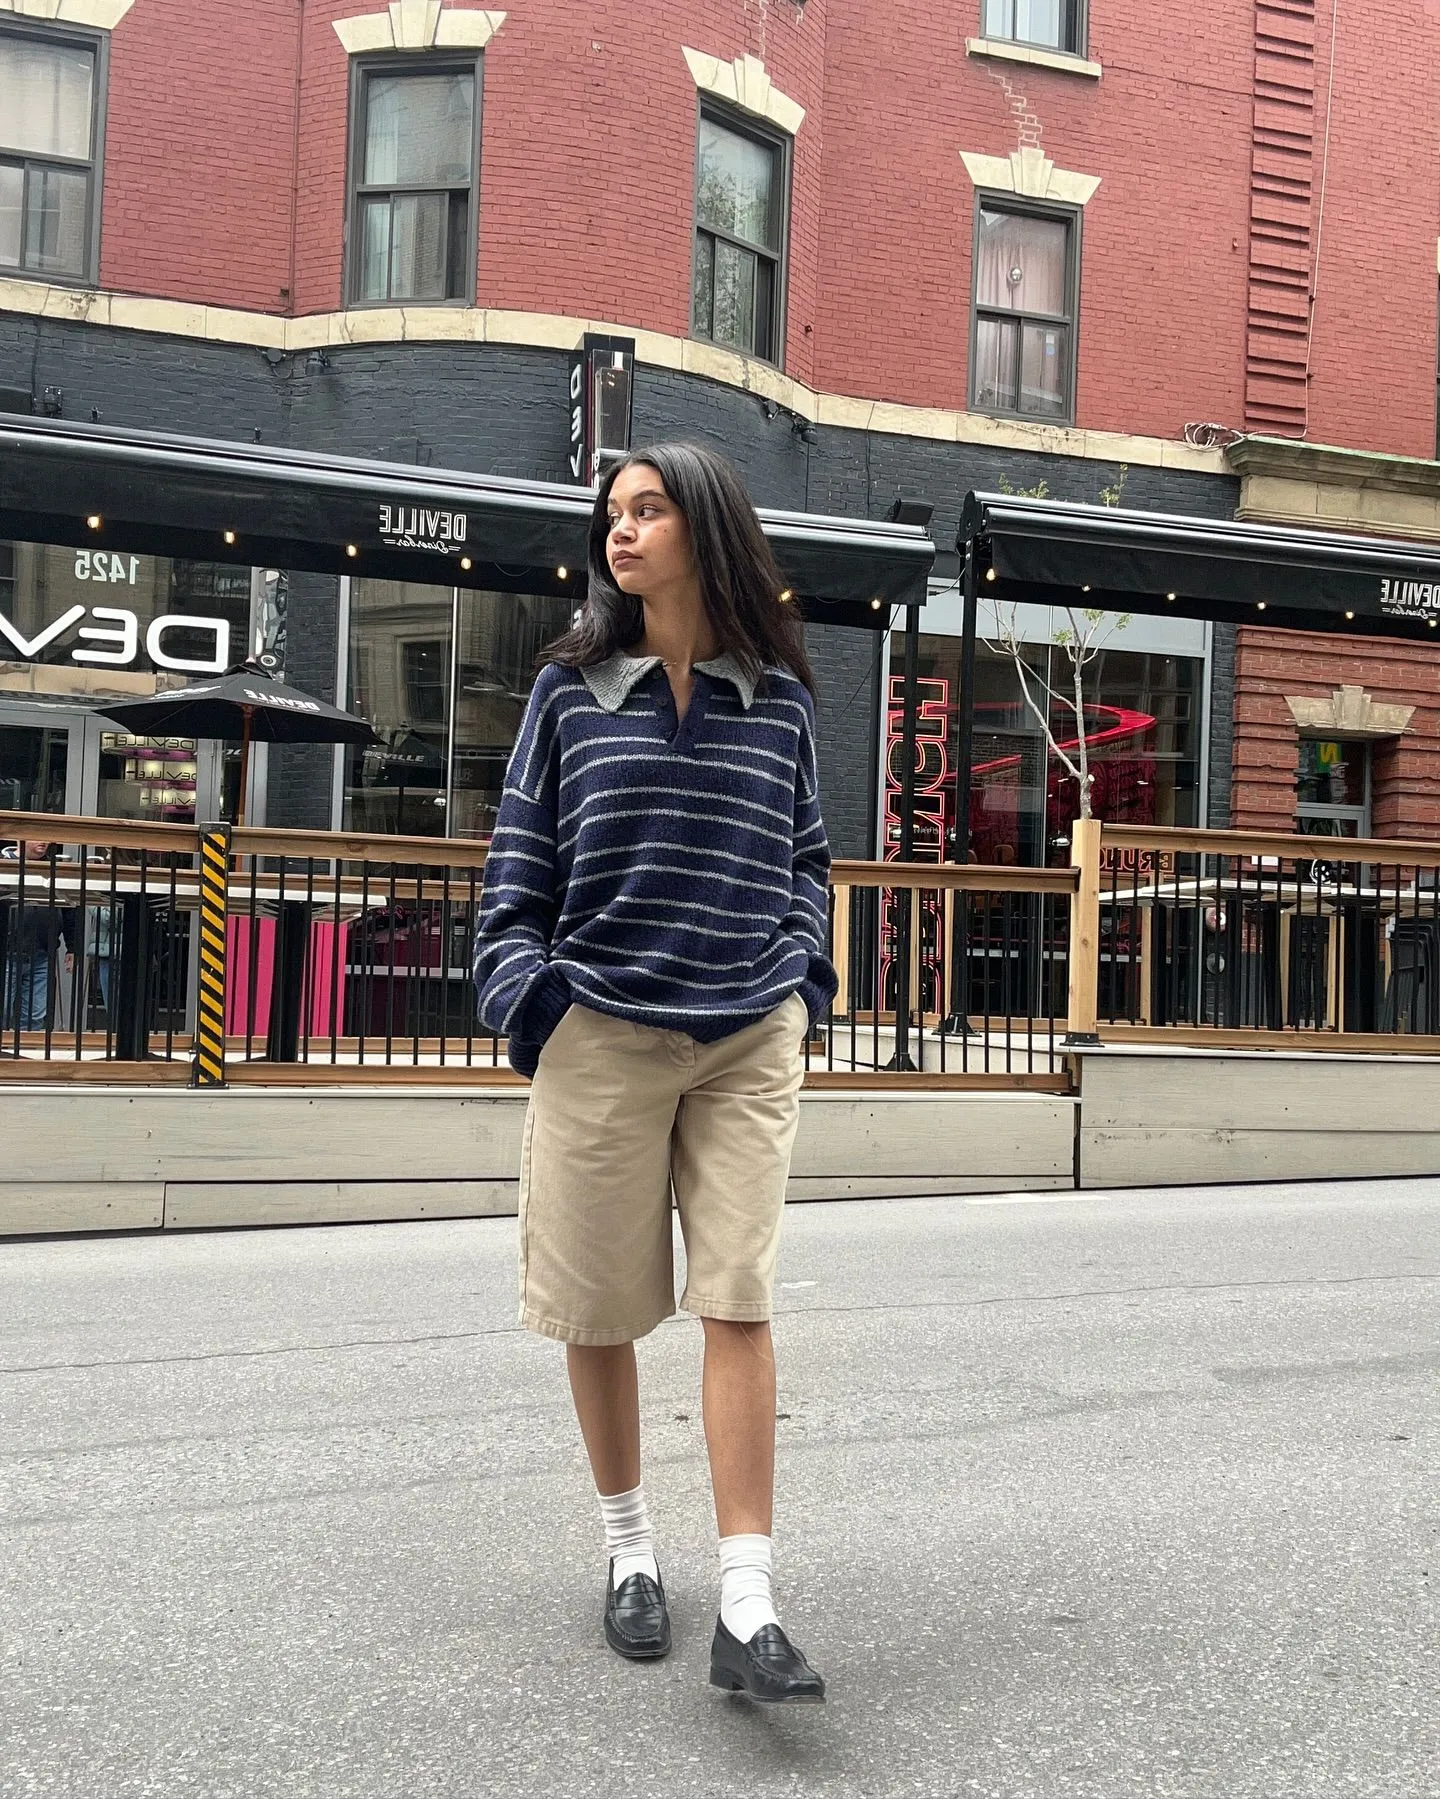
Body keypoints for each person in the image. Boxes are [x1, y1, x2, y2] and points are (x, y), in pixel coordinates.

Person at [473, 442, 838, 1704]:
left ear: (706, 527)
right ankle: (631, 1549)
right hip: (602, 1030)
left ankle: (749, 1597)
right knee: (603, 1305)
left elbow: (808, 854)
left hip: (744, 1034)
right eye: (610, 515)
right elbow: (516, 863)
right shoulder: (570, 691)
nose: (620, 533)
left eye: (646, 509)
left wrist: (804, 981)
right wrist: (533, 1000)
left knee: (738, 1295)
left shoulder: (778, 694)